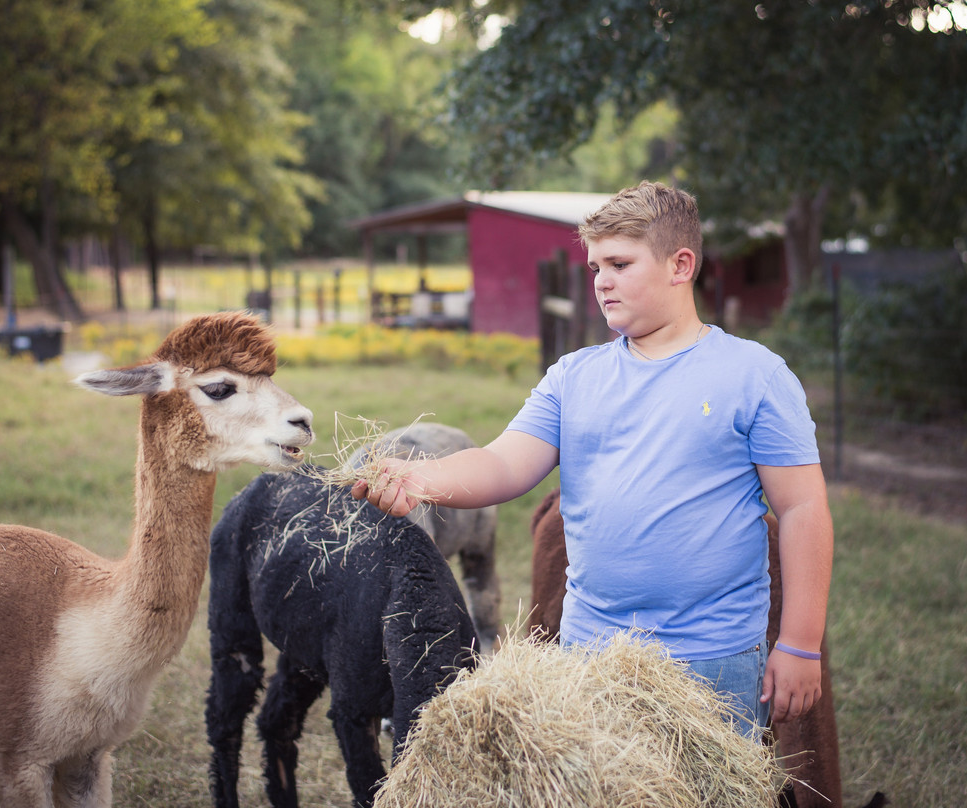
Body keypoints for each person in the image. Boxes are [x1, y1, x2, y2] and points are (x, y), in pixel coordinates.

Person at [352, 180, 833, 736]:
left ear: (681, 265)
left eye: (620, 264)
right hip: (592, 653)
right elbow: (503, 464)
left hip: (713, 657)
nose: (602, 281)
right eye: (596, 267)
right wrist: (421, 477)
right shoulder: (573, 377)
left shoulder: (756, 376)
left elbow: (802, 509)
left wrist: (800, 644)